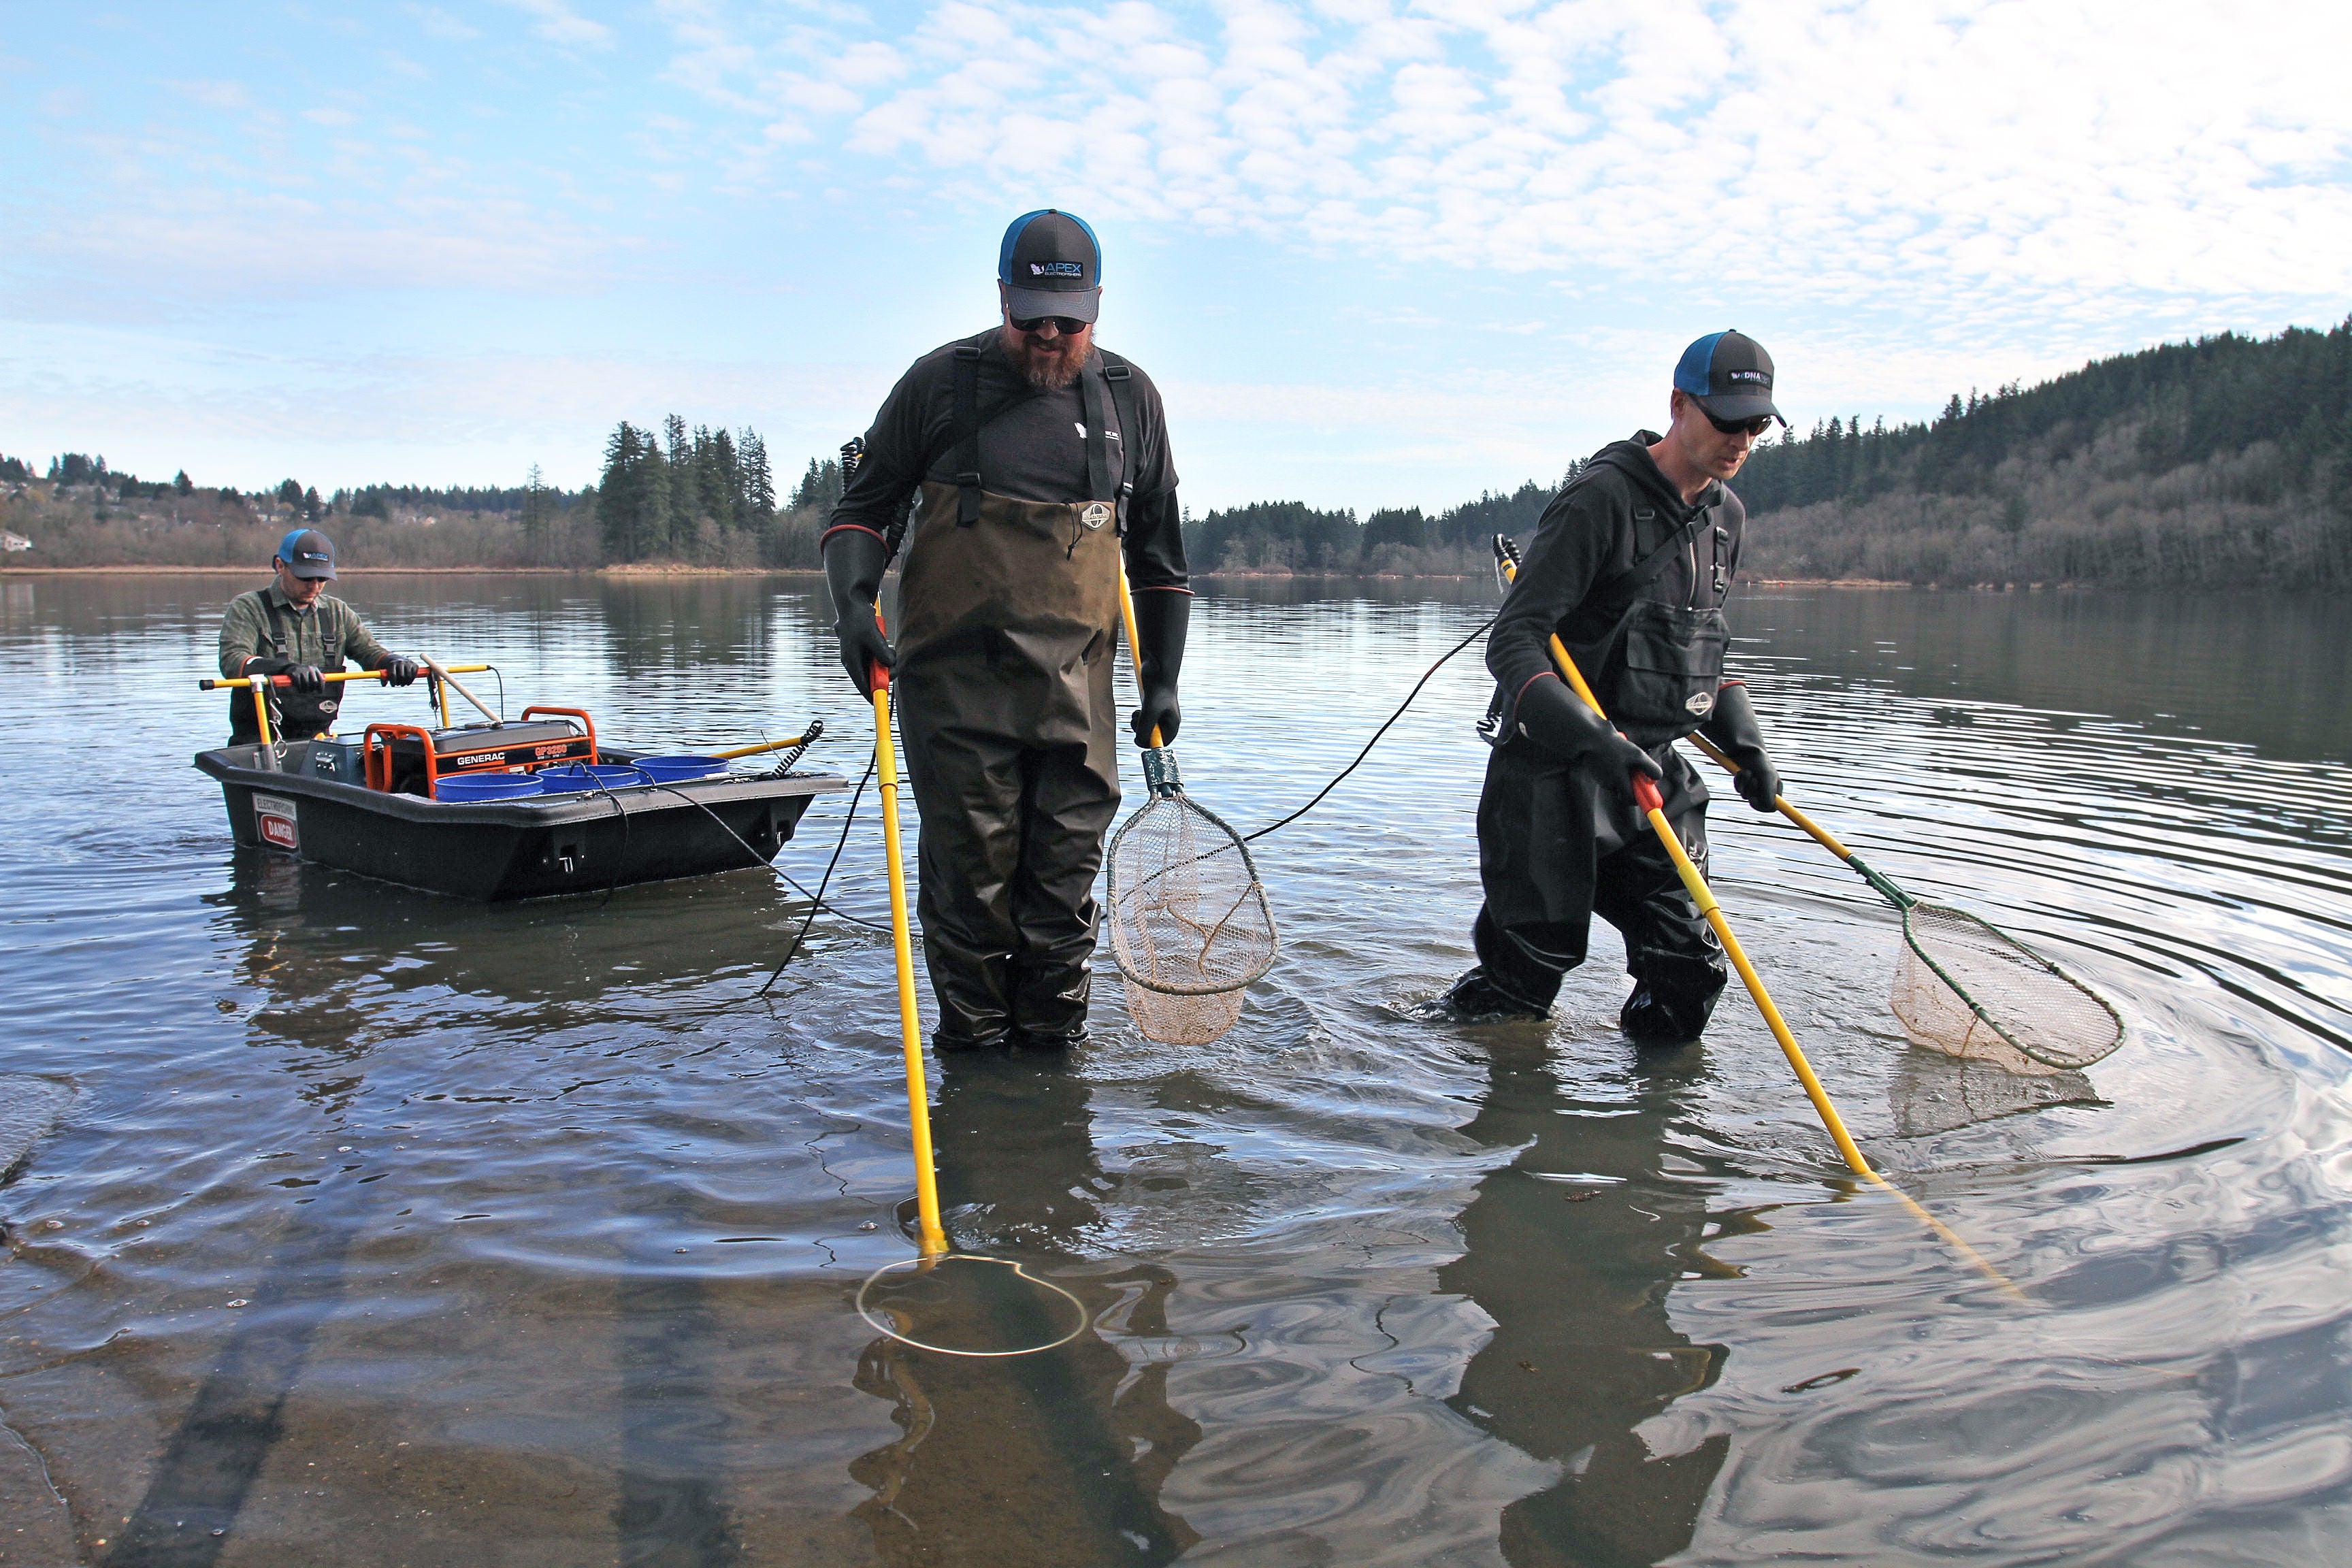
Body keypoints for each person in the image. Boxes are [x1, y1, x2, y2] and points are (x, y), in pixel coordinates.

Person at [823, 209, 1190, 1051]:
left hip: (1078, 692)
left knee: (1062, 892)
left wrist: (1162, 678)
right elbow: (864, 511)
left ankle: (1052, 1072)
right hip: (955, 692)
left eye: (1070, 321)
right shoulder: (939, 384)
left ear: (1097, 307)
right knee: (973, 891)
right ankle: (978, 1072)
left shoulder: (1132, 401)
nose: (1051, 337)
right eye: (1032, 320)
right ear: (1002, 299)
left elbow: (1162, 561)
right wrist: (854, 605)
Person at [1442, 330, 1789, 1042]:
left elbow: (1698, 650)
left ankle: (1647, 1140)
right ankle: (1458, 1096)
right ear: (1678, 404)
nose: (1741, 440)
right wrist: (1596, 741)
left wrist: (1747, 744)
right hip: (1552, 775)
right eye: (1727, 419)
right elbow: (1514, 643)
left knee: (1690, 971)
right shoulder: (1597, 501)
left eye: (1756, 424)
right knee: (1524, 984)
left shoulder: (1728, 520)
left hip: (1654, 779)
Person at [217, 527, 419, 744]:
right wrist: (285, 670)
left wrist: (393, 661)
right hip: (257, 740)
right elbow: (232, 661)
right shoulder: (248, 607)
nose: (314, 586)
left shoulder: (337, 612)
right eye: (305, 577)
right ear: (279, 565)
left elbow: (369, 651)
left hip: (318, 738)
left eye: (322, 579)